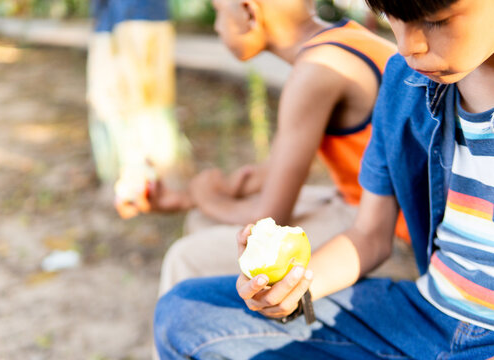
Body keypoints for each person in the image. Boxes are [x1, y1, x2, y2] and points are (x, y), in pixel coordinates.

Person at [154, 0, 494, 358]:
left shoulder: (323, 65)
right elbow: (368, 235)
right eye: (393, 20)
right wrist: (295, 289)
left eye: (436, 21)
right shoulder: (405, 82)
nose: (410, 46)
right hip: (421, 317)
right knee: (185, 313)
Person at [153, 0, 414, 295]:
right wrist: (187, 198)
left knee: (186, 257)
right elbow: (269, 173)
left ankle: (244, 327)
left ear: (249, 12)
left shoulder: (317, 70)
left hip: (388, 227)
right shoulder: (341, 41)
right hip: (365, 200)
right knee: (202, 219)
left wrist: (208, 198)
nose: (216, 26)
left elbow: (271, 215)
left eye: (219, 13)